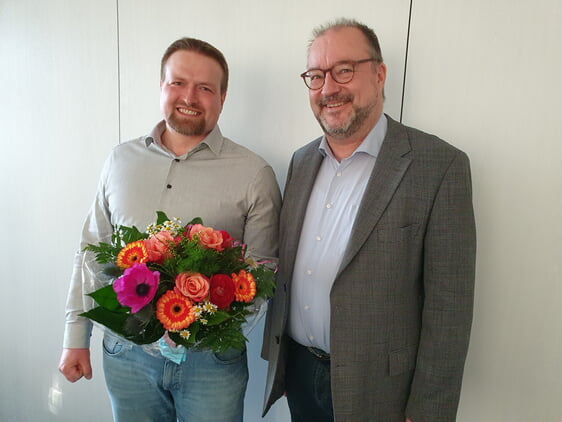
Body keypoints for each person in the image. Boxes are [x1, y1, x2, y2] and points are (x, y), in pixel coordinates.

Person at [262, 18, 476, 422]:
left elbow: (450, 307)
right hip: (300, 374)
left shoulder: (439, 166)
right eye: (316, 75)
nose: (328, 88)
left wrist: (428, 410)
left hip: (382, 389)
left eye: (344, 70)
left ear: (379, 75)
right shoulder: (301, 161)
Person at [58, 37, 281, 422]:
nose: (189, 96)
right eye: (178, 82)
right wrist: (75, 339)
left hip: (211, 363)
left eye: (205, 87)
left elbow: (262, 273)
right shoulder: (120, 160)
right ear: (162, 86)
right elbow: (90, 250)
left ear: (222, 97)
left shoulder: (254, 173)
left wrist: (211, 334)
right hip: (126, 356)